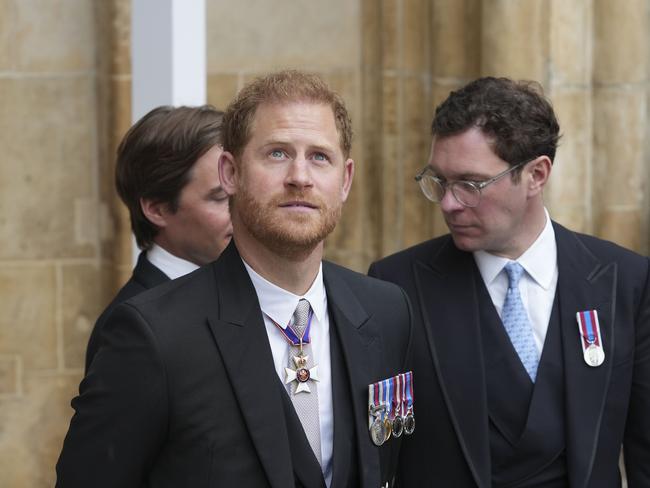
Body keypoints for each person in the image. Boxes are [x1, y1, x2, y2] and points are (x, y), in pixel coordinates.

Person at [57, 70, 412, 488]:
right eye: (277, 153)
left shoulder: (386, 311)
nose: (300, 176)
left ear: (345, 180)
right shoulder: (154, 335)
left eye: (319, 156)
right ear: (230, 173)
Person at [369, 77, 650, 487]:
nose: (449, 203)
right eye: (439, 182)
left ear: (537, 174)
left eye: (470, 184)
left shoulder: (624, 282)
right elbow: (380, 452)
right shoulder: (395, 288)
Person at [84, 105, 232, 371]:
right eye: (220, 198)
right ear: (157, 209)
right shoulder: (130, 330)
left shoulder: (245, 289)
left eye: (242, 191)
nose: (243, 212)